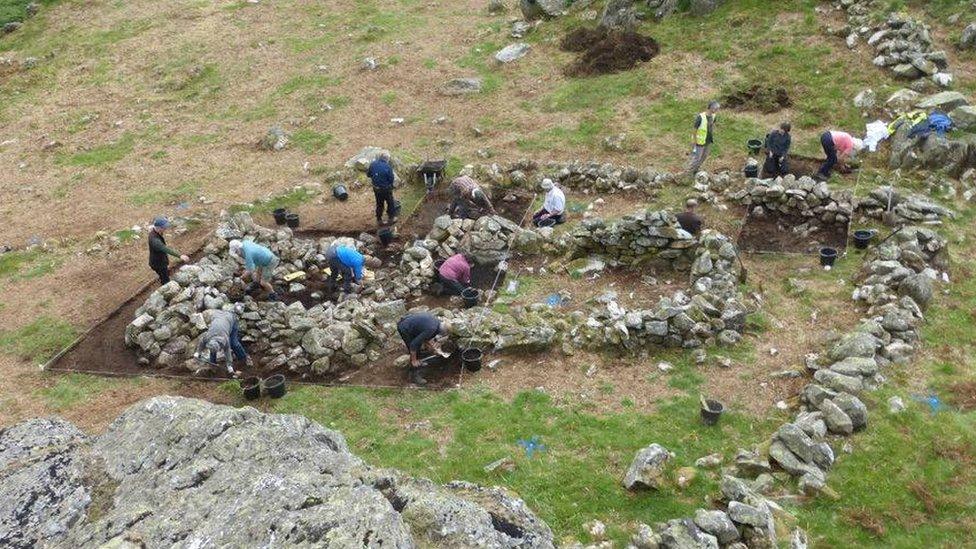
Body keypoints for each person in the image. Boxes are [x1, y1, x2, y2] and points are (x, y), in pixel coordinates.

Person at [397, 312, 451, 385]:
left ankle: (418, 359)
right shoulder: (432, 328)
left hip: (410, 323)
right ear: (442, 332)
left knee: (419, 346)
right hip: (405, 327)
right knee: (416, 349)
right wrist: (414, 360)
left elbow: (425, 336)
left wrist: (433, 349)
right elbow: (413, 344)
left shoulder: (437, 323)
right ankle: (415, 375)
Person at [194, 309, 252, 376]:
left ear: (220, 346)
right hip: (219, 316)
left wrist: (229, 366)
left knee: (234, 343)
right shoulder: (208, 336)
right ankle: (213, 366)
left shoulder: (225, 340)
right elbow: (202, 342)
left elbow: (227, 353)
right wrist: (197, 352)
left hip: (231, 319)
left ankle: (244, 358)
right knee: (213, 350)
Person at [147, 217, 189, 285]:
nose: (165, 229)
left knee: (165, 274)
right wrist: (180, 256)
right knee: (165, 279)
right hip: (158, 264)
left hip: (160, 260)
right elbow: (165, 249)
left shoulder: (156, 231)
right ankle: (167, 289)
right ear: (158, 228)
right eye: (164, 228)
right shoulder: (154, 240)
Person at [687, 101, 720, 177]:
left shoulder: (714, 116)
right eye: (716, 108)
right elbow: (694, 129)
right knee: (697, 158)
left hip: (708, 141)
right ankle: (688, 173)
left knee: (704, 156)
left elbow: (712, 124)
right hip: (699, 141)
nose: (717, 110)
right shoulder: (700, 117)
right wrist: (694, 141)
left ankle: (695, 170)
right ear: (711, 108)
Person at [367, 151, 397, 225]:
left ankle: (379, 219)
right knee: (390, 202)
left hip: (376, 189)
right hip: (386, 189)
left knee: (379, 203)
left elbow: (368, 174)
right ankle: (391, 218)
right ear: (387, 159)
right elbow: (391, 179)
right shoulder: (388, 167)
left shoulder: (373, 164)